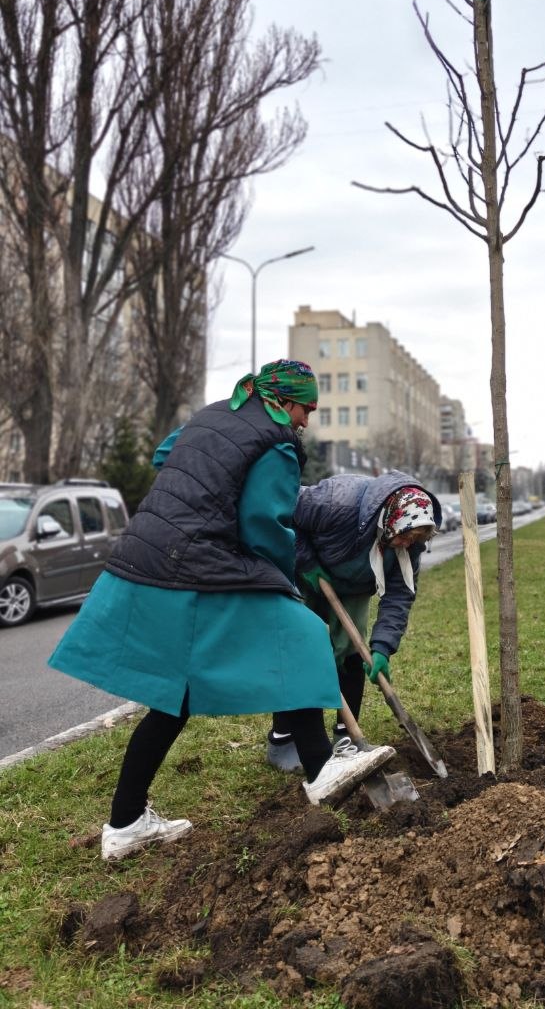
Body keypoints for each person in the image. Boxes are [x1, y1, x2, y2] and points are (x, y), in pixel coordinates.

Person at [49, 360, 394, 859]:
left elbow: (165, 454)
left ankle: (125, 824)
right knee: (300, 632)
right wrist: (284, 582)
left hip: (151, 551)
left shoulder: (213, 415)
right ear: (281, 400)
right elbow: (264, 523)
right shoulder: (276, 440)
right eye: (305, 408)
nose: (306, 420)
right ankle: (321, 769)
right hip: (198, 559)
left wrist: (208, 491)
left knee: (174, 695)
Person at [266, 473, 441, 773]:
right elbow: (283, 512)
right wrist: (306, 562)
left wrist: (382, 648)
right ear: (391, 518)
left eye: (414, 540)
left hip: (353, 585)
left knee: (351, 652)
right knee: (300, 651)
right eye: (404, 535)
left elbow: (399, 595)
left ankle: (348, 739)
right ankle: (282, 739)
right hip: (305, 574)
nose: (405, 544)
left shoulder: (409, 544)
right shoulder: (337, 500)